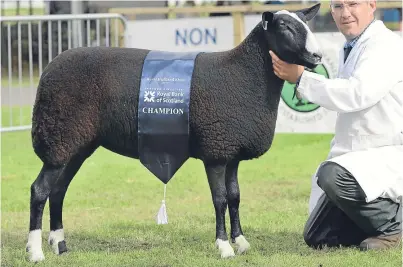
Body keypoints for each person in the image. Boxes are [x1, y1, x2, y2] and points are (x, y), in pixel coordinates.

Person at [269, 0, 403, 250]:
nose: (345, 13)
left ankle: (394, 228)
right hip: (360, 160)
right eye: (338, 6)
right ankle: (373, 226)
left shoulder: (385, 45)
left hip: (389, 154)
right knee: (317, 237)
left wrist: (301, 78)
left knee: (333, 175)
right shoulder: (351, 47)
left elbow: (357, 93)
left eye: (353, 4)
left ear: (371, 5)